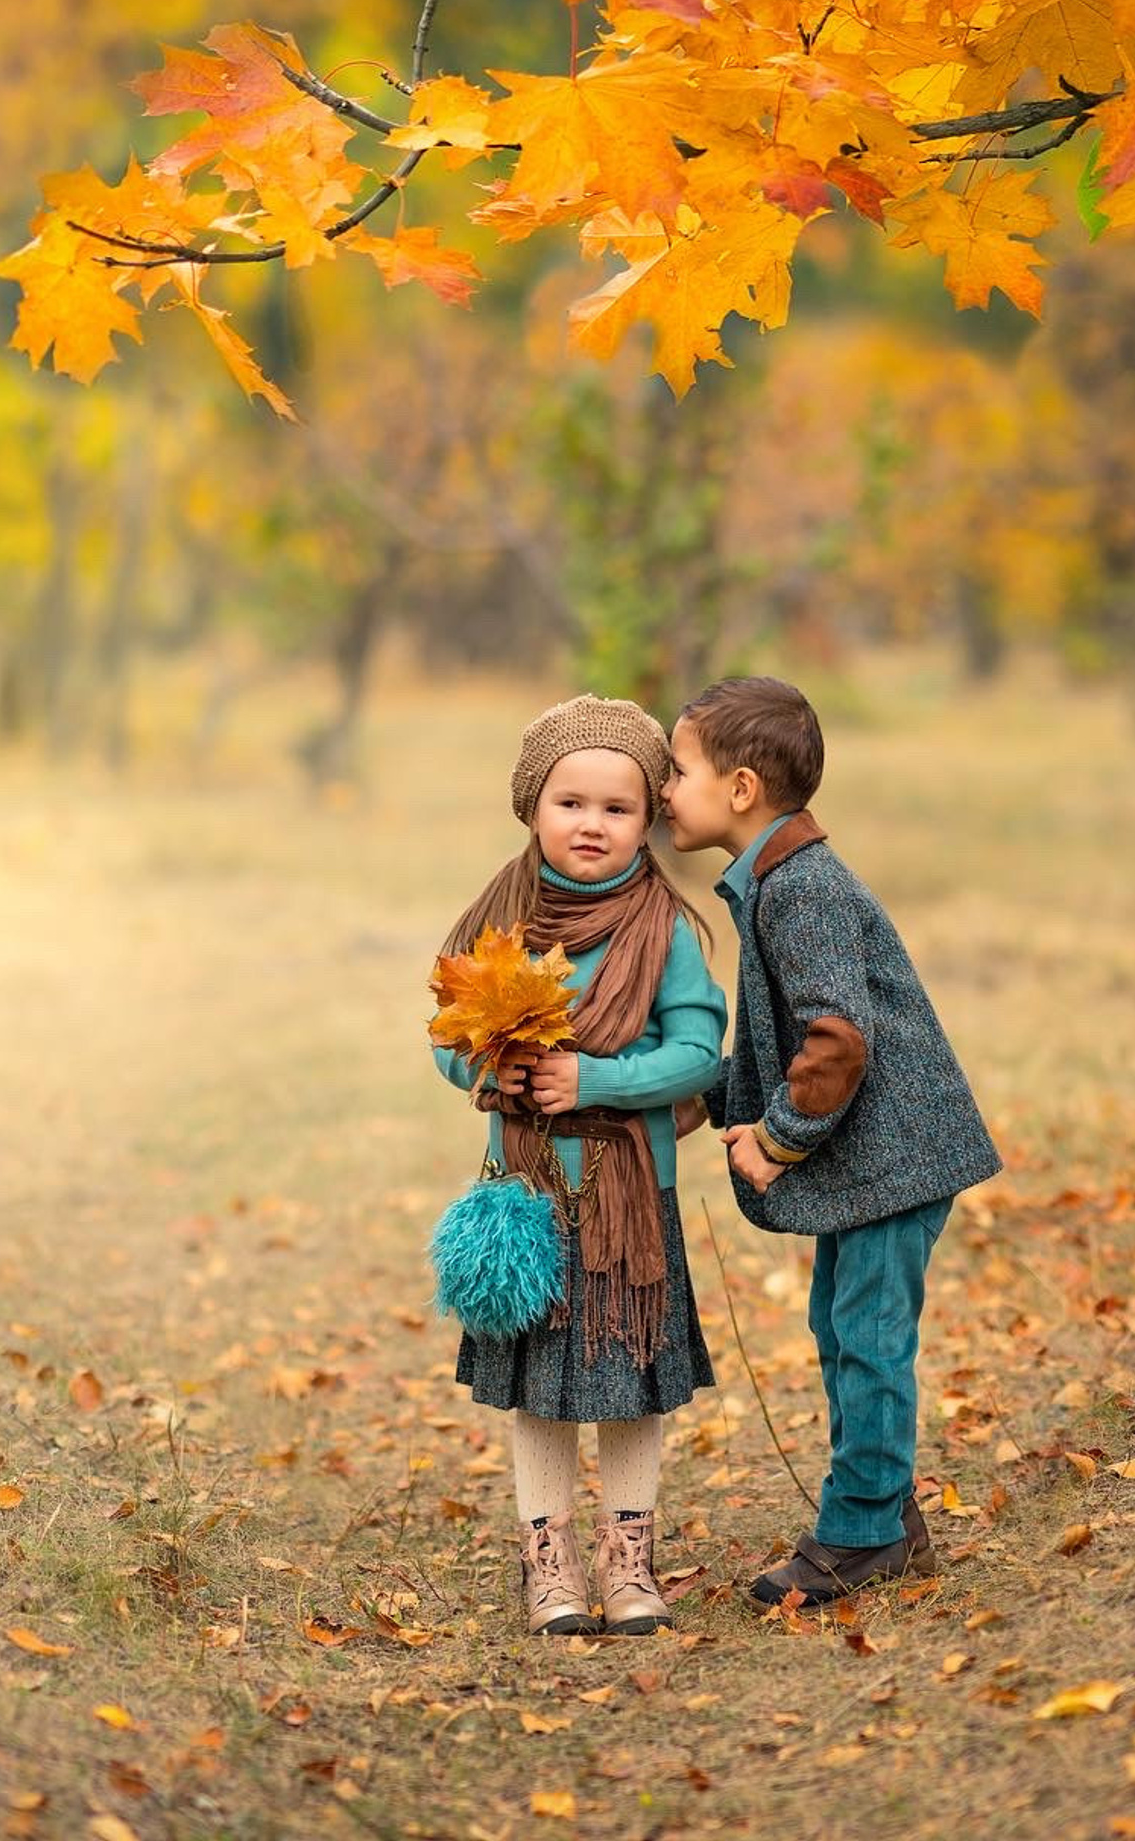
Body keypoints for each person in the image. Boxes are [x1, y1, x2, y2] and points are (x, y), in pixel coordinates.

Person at [660, 676, 1001, 1607]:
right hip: (874, 1160)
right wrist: (707, 1097)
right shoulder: (776, 880)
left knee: (867, 1336)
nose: (662, 787)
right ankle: (888, 1515)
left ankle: (858, 1537)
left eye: (677, 769)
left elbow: (837, 1039)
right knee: (844, 1328)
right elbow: (781, 1035)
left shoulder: (798, 890)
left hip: (896, 1155)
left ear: (739, 790)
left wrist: (775, 1138)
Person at [433, 694, 727, 1636]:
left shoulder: (665, 929)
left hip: (630, 1197)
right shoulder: (502, 918)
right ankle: (549, 1563)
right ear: (533, 808)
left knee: (629, 1380)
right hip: (527, 1200)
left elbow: (702, 1053)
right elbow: (444, 1041)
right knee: (542, 1393)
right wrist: (488, 1060)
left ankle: (629, 1561)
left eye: (617, 808)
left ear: (649, 820)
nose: (591, 824)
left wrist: (597, 1076)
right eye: (571, 803)